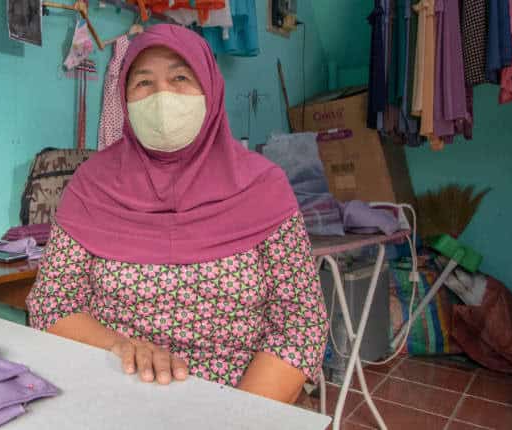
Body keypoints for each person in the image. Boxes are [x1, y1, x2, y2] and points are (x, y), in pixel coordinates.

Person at [25, 24, 327, 403]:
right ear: (125, 97)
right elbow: (52, 302)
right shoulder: (92, 184)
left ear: (210, 89)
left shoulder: (264, 187)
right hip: (111, 396)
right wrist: (119, 345)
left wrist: (242, 418)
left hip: (239, 403)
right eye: (144, 83)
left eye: (180, 77)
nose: (161, 97)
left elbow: (299, 325)